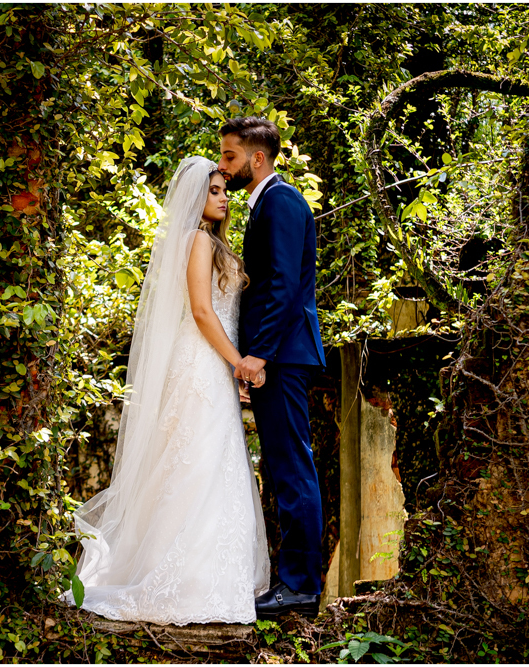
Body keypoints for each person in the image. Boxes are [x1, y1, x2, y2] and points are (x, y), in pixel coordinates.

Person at [65, 156, 270, 625]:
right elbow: (201, 311)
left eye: (224, 190)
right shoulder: (197, 239)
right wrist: (237, 363)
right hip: (201, 361)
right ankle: (182, 579)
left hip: (214, 362)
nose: (223, 197)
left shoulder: (211, 241)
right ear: (195, 197)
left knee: (211, 463)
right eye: (214, 191)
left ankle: (209, 577)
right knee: (195, 462)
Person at [218, 117, 327, 619]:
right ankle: (295, 581)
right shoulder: (267, 202)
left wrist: (258, 355)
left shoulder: (280, 201)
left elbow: (283, 285)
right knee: (285, 469)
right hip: (279, 353)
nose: (224, 166)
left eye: (230, 156)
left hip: (282, 355)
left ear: (256, 158)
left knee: (292, 470)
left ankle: (301, 586)